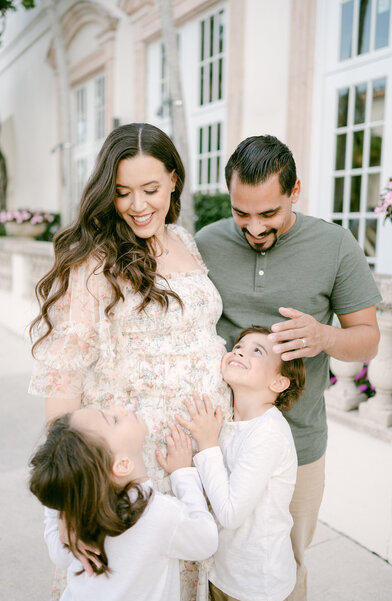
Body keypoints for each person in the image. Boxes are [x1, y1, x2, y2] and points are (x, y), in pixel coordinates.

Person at [29, 122, 231, 601]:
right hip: (133, 460)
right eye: (122, 192)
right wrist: (72, 493)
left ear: (174, 180)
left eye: (150, 189)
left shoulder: (186, 241)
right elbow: (65, 376)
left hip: (197, 453)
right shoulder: (95, 260)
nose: (138, 205)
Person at [195, 135, 381, 601]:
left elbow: (368, 339)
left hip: (298, 446)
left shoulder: (336, 244)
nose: (254, 228)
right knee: (212, 567)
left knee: (284, 572)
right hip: (214, 442)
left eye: (268, 214)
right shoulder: (207, 243)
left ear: (295, 190)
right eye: (242, 213)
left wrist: (325, 337)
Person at [29, 405, 218, 601]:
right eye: (113, 420)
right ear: (122, 465)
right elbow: (206, 541)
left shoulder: (75, 524)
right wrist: (183, 473)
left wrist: (63, 508)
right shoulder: (159, 514)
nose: (119, 409)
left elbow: (59, 556)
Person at [177, 325, 305, 601]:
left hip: (254, 584)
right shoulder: (230, 420)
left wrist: (208, 443)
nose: (240, 352)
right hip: (223, 571)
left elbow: (231, 513)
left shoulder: (268, 433)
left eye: (257, 351)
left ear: (279, 383)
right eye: (238, 347)